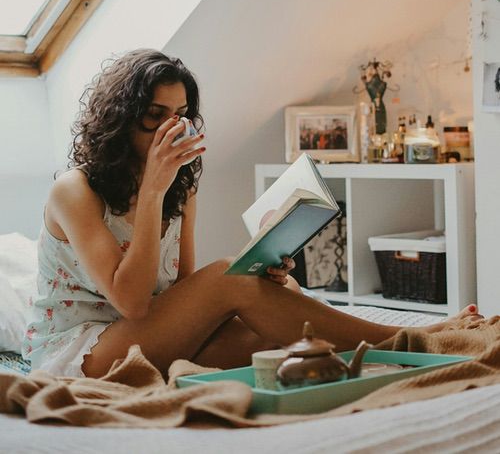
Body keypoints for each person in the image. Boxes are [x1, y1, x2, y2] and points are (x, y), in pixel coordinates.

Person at [22, 49, 481, 379]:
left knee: (276, 328)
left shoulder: (181, 184)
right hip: (85, 349)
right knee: (229, 277)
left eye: (180, 114)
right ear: (120, 118)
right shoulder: (75, 190)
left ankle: (386, 349)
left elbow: (179, 294)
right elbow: (133, 302)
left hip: (146, 334)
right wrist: (152, 193)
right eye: (155, 113)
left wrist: (260, 273)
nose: (171, 127)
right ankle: (410, 340)